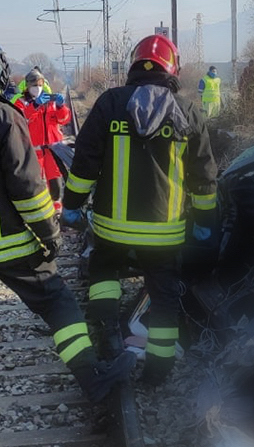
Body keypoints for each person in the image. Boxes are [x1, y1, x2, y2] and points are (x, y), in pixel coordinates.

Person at [0, 34, 136, 438]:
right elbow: (28, 188)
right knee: (59, 307)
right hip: (15, 247)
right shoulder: (4, 116)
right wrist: (49, 235)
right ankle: (94, 379)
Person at [61, 34, 218, 386]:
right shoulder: (187, 111)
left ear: (134, 65)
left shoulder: (110, 104)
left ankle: (108, 340)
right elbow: (204, 177)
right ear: (173, 69)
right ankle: (158, 371)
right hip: (165, 233)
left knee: (104, 274)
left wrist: (71, 206)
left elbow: (85, 165)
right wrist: (206, 221)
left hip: (111, 229)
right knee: (163, 298)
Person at [14, 68, 71, 214]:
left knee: (55, 181)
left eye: (40, 84)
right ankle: (39, 211)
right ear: (28, 86)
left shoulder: (50, 102)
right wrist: (35, 106)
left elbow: (64, 120)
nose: (37, 88)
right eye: (34, 85)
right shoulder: (21, 103)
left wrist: (61, 107)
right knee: (36, 182)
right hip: (33, 149)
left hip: (53, 148)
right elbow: (20, 120)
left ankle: (56, 209)